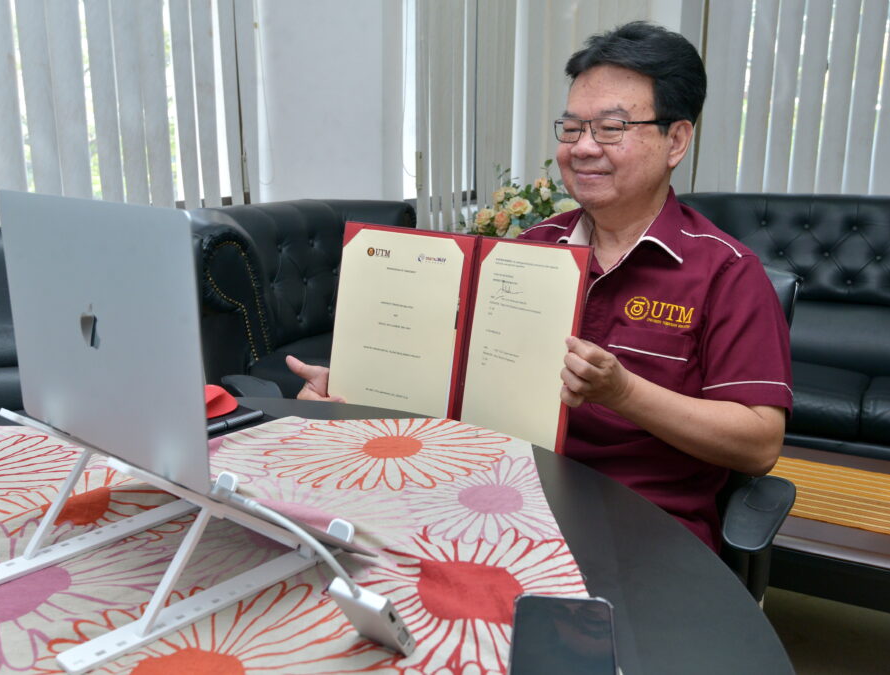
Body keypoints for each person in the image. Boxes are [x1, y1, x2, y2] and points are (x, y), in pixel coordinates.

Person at [288, 21, 792, 551]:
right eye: (572, 129)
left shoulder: (727, 272)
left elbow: (758, 444)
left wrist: (623, 393)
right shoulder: (527, 250)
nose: (583, 148)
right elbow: (455, 383)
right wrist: (358, 383)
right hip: (492, 501)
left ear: (676, 140)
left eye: (612, 128)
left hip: (640, 530)